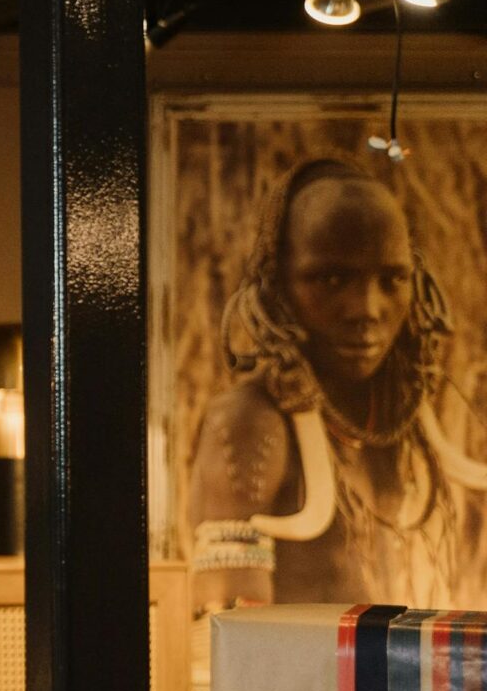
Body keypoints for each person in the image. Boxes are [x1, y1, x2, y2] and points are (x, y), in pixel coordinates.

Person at [188, 157, 485, 619]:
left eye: (392, 279)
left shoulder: (382, 419)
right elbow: (229, 642)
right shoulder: (249, 421)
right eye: (331, 279)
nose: (366, 309)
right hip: (304, 689)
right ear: (277, 287)